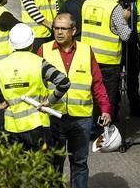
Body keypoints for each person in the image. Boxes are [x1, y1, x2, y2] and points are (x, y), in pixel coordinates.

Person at [38, 13, 111, 188]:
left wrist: (106, 109)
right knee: (54, 164)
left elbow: (97, 82)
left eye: (64, 28)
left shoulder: (86, 51)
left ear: (74, 30)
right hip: (54, 118)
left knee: (79, 163)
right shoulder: (44, 50)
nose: (59, 32)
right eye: (56, 28)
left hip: (81, 119)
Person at [0, 23, 70, 150]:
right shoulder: (39, 63)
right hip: (38, 124)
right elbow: (64, 82)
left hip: (12, 127)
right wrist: (49, 102)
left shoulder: (0, 66)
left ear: (11, 44)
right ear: (31, 43)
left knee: (19, 167)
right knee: (41, 166)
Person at [81, 0, 131, 121]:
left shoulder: (87, 3)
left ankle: (93, 128)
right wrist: (127, 18)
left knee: (93, 95)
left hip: (89, 57)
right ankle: (107, 131)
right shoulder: (114, 7)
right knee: (108, 98)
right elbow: (125, 35)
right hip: (109, 61)